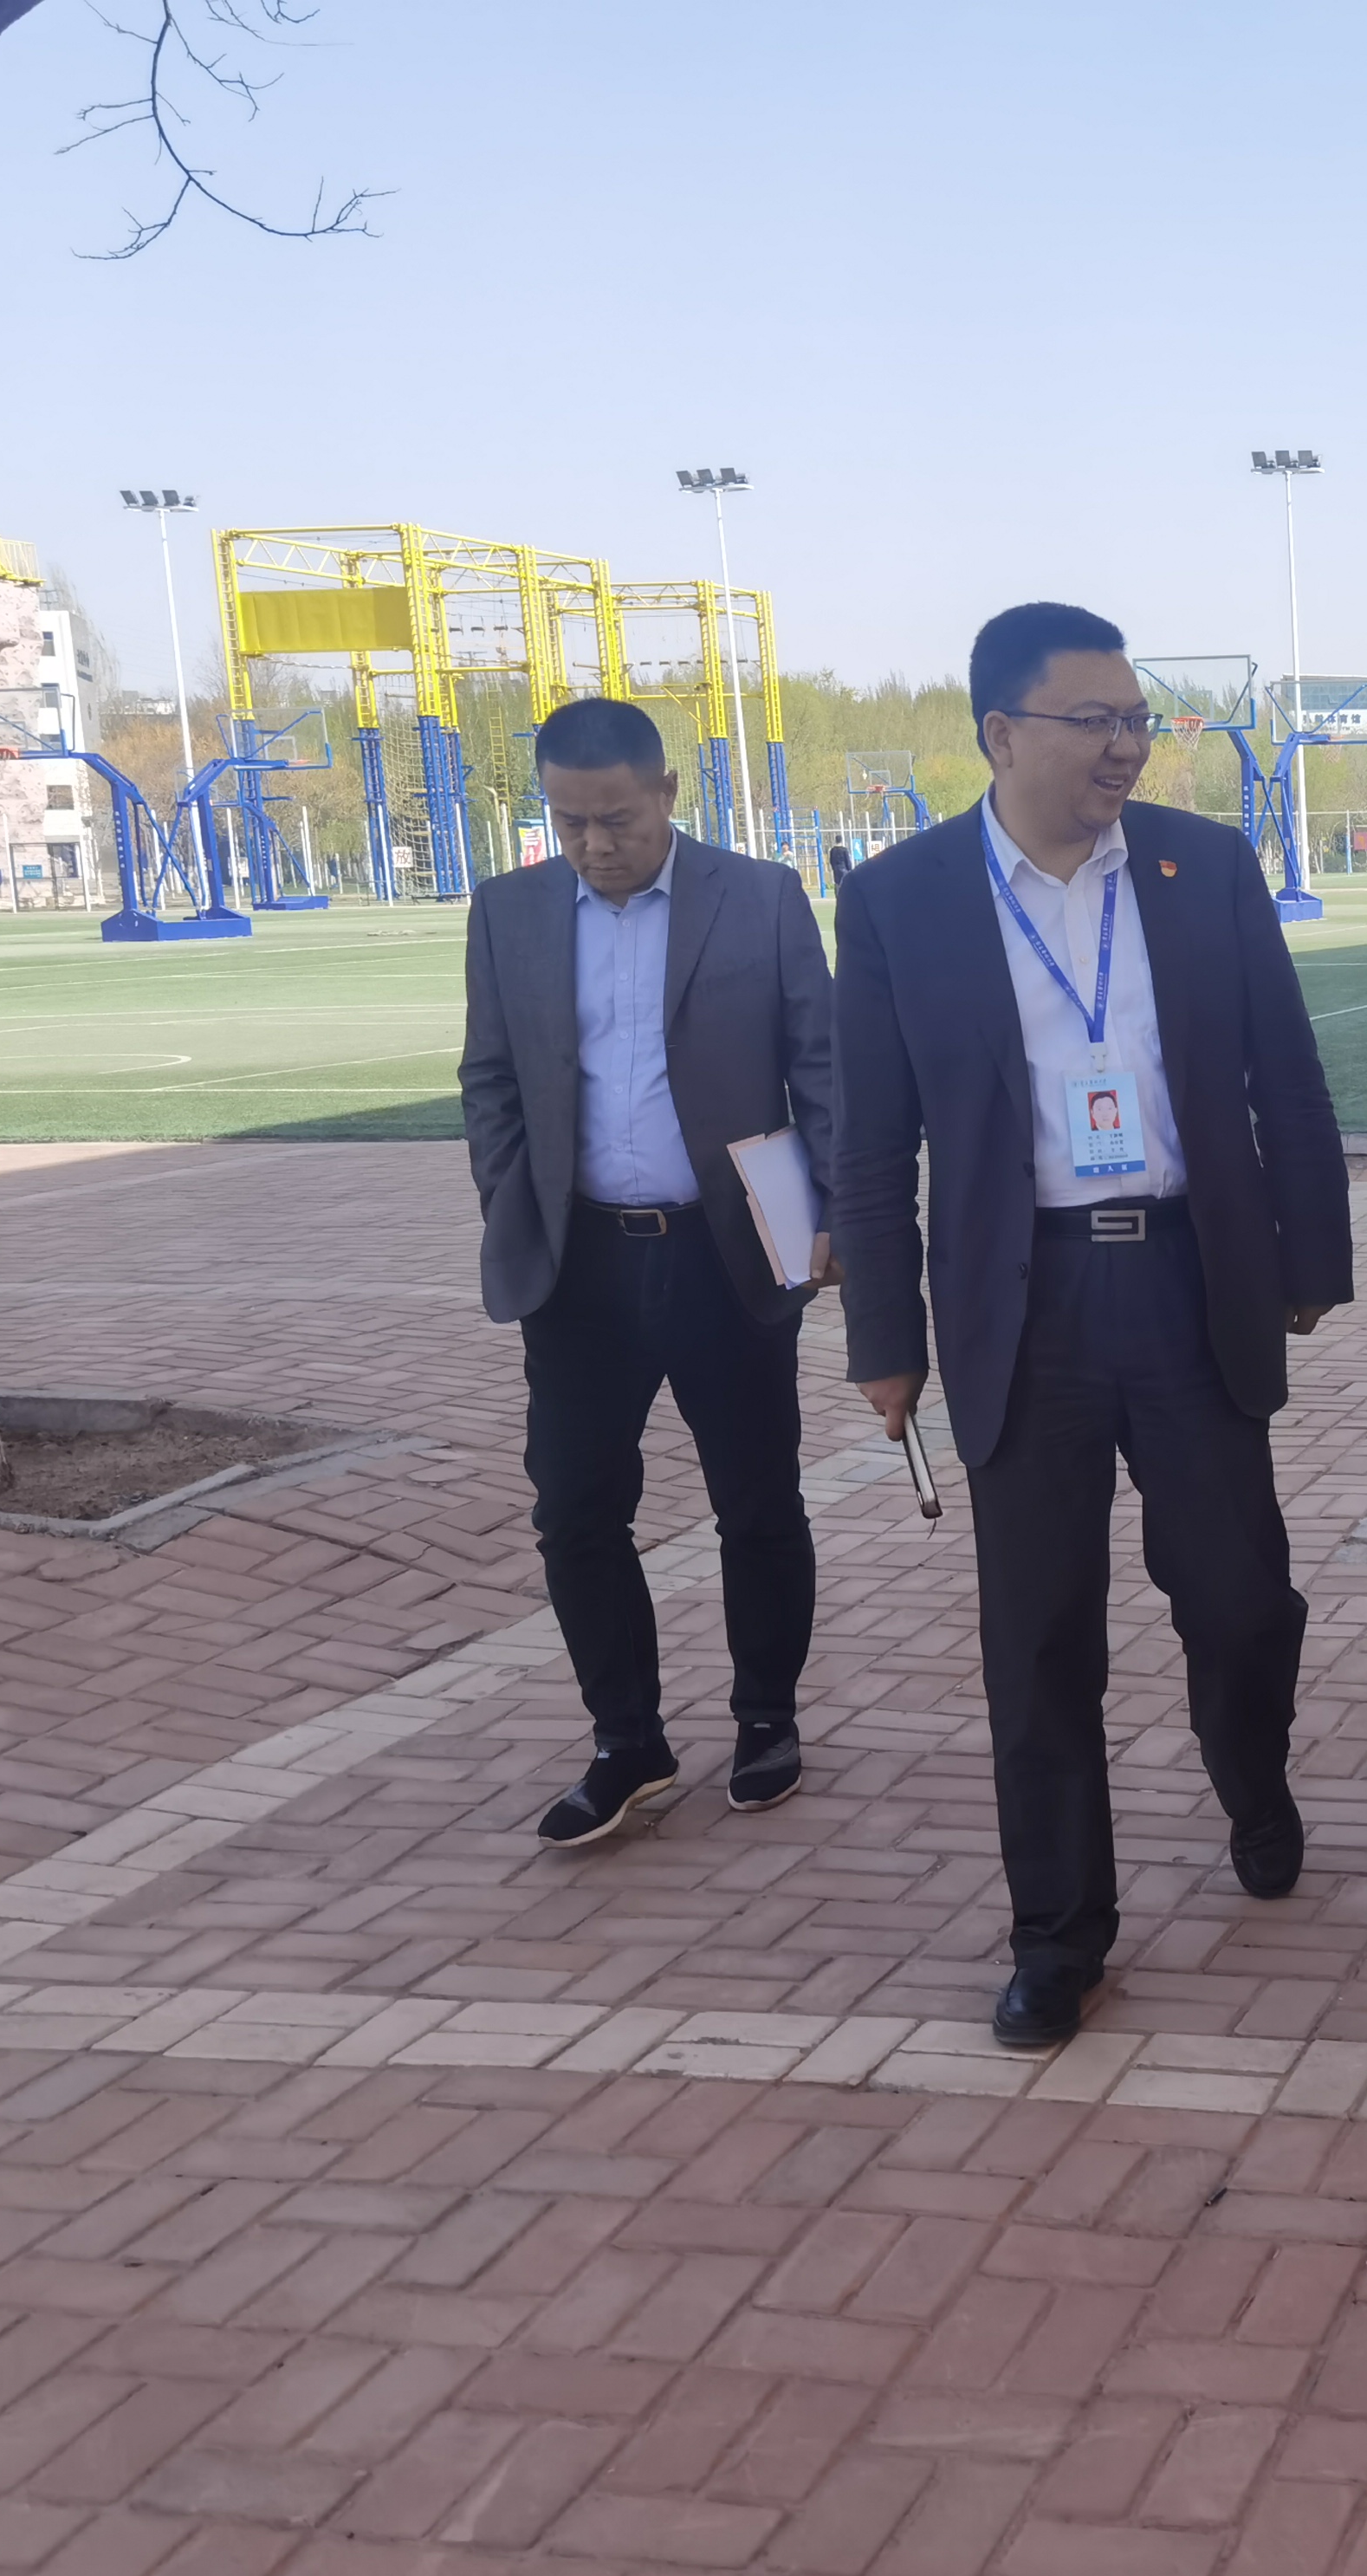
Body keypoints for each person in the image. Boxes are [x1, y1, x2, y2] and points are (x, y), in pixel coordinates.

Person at [832, 601, 1353, 2051]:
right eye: (1095, 721)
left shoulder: (1204, 865)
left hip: (1189, 1280)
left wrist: (1311, 1255)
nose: (1127, 746)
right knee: (1040, 1639)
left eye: (1137, 720)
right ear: (1002, 734)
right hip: (1025, 1305)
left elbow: (1286, 1079)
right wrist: (885, 1339)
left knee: (1240, 1600)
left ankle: (1252, 1778)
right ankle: (1059, 1934)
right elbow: (871, 1146)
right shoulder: (899, 900)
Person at [459, 696, 837, 1846]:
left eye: (616, 819)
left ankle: (766, 1720)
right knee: (575, 1513)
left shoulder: (760, 899)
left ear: (667, 793)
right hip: (579, 1269)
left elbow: (823, 1068)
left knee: (756, 1504)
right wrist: (514, 1201)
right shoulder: (510, 912)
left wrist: (837, 1220)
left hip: (726, 1258)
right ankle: (627, 1743)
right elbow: (490, 1078)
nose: (594, 844)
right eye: (569, 821)